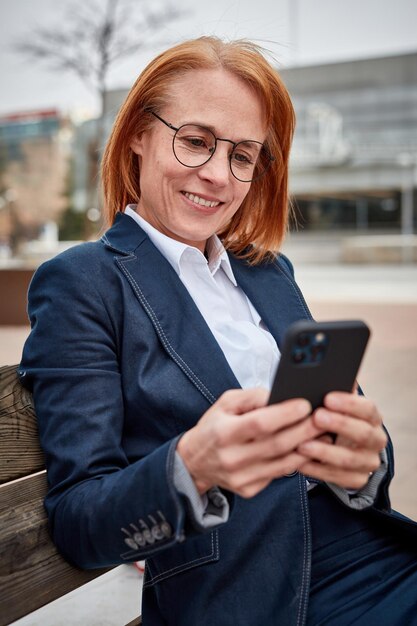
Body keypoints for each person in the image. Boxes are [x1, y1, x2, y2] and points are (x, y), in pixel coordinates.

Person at [19, 37, 417, 625]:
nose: (217, 175)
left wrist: (367, 463)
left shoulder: (267, 271)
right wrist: (192, 467)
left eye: (242, 155)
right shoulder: (84, 282)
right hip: (252, 591)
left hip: (374, 552)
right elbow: (80, 521)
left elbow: (353, 442)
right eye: (197, 141)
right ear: (137, 134)